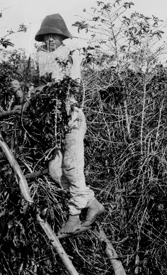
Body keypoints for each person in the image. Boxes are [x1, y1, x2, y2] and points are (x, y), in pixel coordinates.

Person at [19, 14, 105, 234]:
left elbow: (74, 83)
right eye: (47, 36)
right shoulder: (39, 56)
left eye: (54, 37)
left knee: (71, 166)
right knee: (56, 170)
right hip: (51, 119)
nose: (50, 41)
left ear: (62, 37)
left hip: (70, 115)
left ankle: (74, 215)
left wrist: (66, 101)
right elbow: (36, 84)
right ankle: (92, 203)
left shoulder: (70, 52)